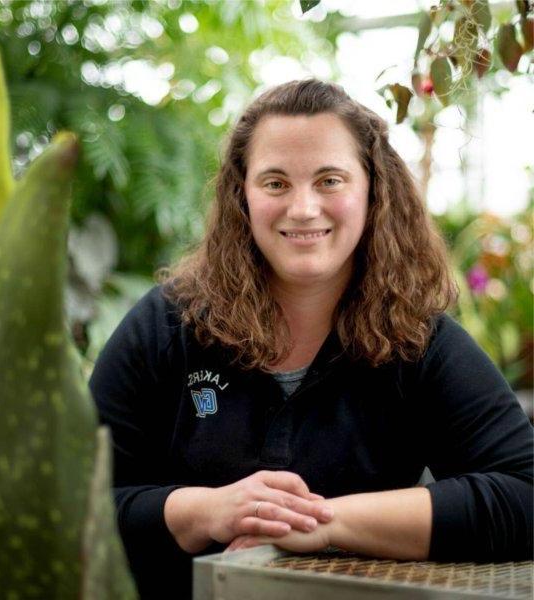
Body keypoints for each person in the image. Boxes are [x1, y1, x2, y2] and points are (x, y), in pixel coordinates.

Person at [89, 79, 533, 599]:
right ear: (242, 195)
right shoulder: (165, 327)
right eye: (276, 183)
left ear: (373, 190)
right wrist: (202, 510)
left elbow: (524, 493)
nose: (303, 209)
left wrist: (321, 522)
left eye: (329, 180)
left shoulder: (418, 339)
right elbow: (71, 501)